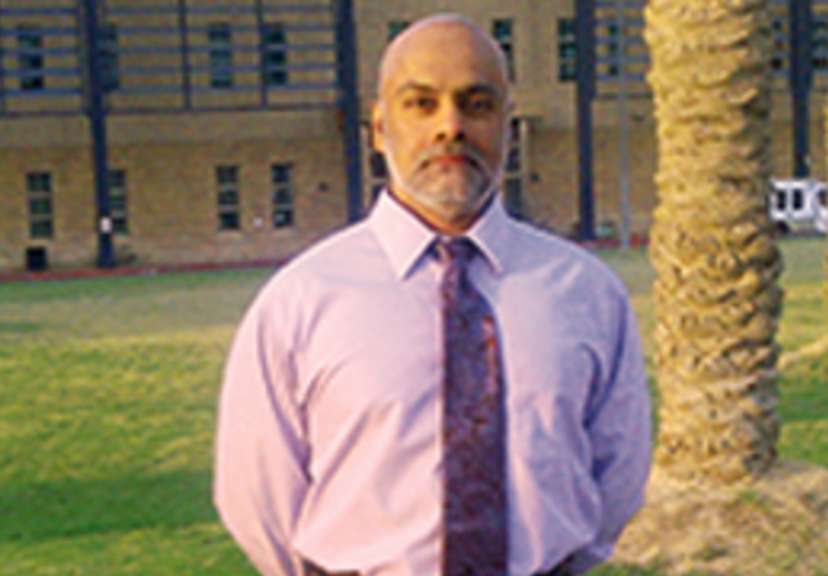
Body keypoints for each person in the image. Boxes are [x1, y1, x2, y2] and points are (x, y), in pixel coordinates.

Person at [214, 13, 651, 576]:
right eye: (421, 104)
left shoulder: (586, 294)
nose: (451, 126)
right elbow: (258, 498)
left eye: (476, 104)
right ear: (378, 128)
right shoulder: (301, 302)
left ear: (506, 124)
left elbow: (617, 477)